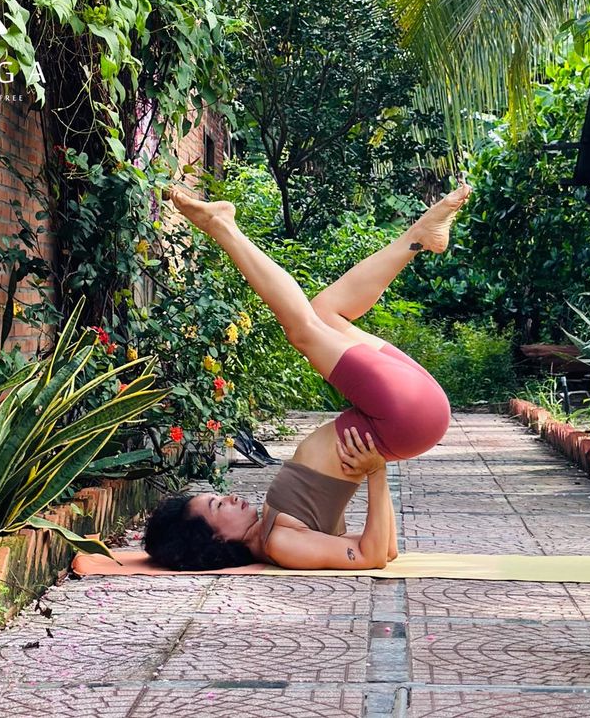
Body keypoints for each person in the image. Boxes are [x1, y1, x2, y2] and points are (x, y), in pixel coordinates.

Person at [138, 181, 472, 572]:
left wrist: (374, 469)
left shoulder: (273, 528)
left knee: (324, 313)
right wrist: (376, 471)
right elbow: (375, 556)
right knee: (302, 330)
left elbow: (385, 548)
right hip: (400, 417)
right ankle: (221, 226)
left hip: (403, 413)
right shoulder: (280, 544)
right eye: (217, 505)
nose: (229, 497)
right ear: (215, 539)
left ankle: (418, 238)